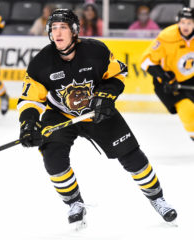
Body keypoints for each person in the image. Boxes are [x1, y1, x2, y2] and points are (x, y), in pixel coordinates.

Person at [17, 9, 177, 227]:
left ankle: (158, 199)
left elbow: (117, 75)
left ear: (74, 31)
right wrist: (28, 124)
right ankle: (74, 203)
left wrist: (105, 96)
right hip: (61, 115)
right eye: (53, 28)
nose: (57, 32)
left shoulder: (95, 51)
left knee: (132, 155)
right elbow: (30, 100)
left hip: (97, 111)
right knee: (52, 158)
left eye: (63, 27)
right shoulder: (40, 63)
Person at [141, 7, 194, 141]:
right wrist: (164, 77)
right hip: (168, 82)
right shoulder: (167, 36)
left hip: (190, 79)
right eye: (182, 22)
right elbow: (145, 61)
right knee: (188, 109)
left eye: (189, 22)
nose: (185, 26)